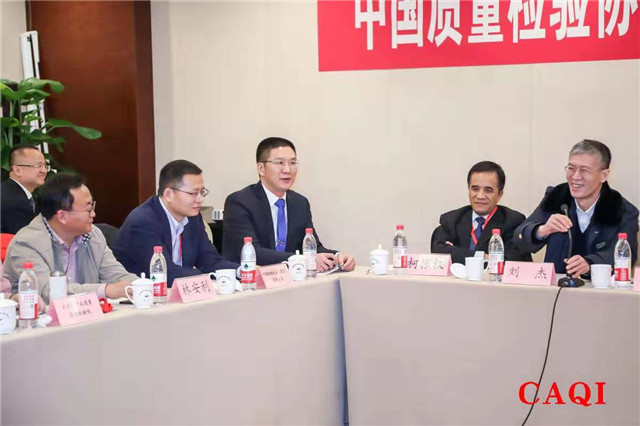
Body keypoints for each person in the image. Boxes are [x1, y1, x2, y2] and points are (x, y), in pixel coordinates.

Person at [223, 137, 356, 271]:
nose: (287, 170)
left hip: (290, 279)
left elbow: (312, 248)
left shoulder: (300, 203)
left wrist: (338, 257)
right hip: (248, 280)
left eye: (292, 163)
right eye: (279, 163)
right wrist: (302, 260)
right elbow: (253, 252)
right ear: (261, 168)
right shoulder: (239, 202)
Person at [3, 173, 135, 303]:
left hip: (87, 314)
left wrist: (141, 285)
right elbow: (46, 292)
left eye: (93, 206)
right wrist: (104, 291)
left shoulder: (93, 234)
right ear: (62, 217)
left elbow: (117, 276)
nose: (93, 214)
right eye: (88, 209)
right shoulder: (26, 243)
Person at [514, 139, 638, 277]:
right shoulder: (557, 197)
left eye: (584, 170)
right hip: (557, 285)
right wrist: (542, 230)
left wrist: (590, 264)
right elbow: (519, 238)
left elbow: (627, 255)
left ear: (604, 175)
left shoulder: (622, 210)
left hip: (600, 286)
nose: (575, 176)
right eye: (571, 168)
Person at [113, 160, 238, 285]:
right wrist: (205, 278)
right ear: (168, 194)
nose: (200, 199)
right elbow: (166, 274)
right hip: (142, 294)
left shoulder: (193, 218)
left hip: (177, 291)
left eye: (202, 192)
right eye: (194, 193)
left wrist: (242, 271)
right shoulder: (143, 222)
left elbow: (211, 262)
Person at [431, 161, 532, 264]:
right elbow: (439, 252)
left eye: (488, 190)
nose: (480, 196)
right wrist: (483, 257)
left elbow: (513, 263)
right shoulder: (451, 220)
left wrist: (457, 253)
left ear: (499, 195)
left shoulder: (513, 221)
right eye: (475, 189)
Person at [1, 145, 48, 234]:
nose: (44, 171)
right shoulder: (14, 201)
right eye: (38, 165)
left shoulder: (11, 192)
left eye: (45, 166)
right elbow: (27, 239)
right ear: (17, 170)